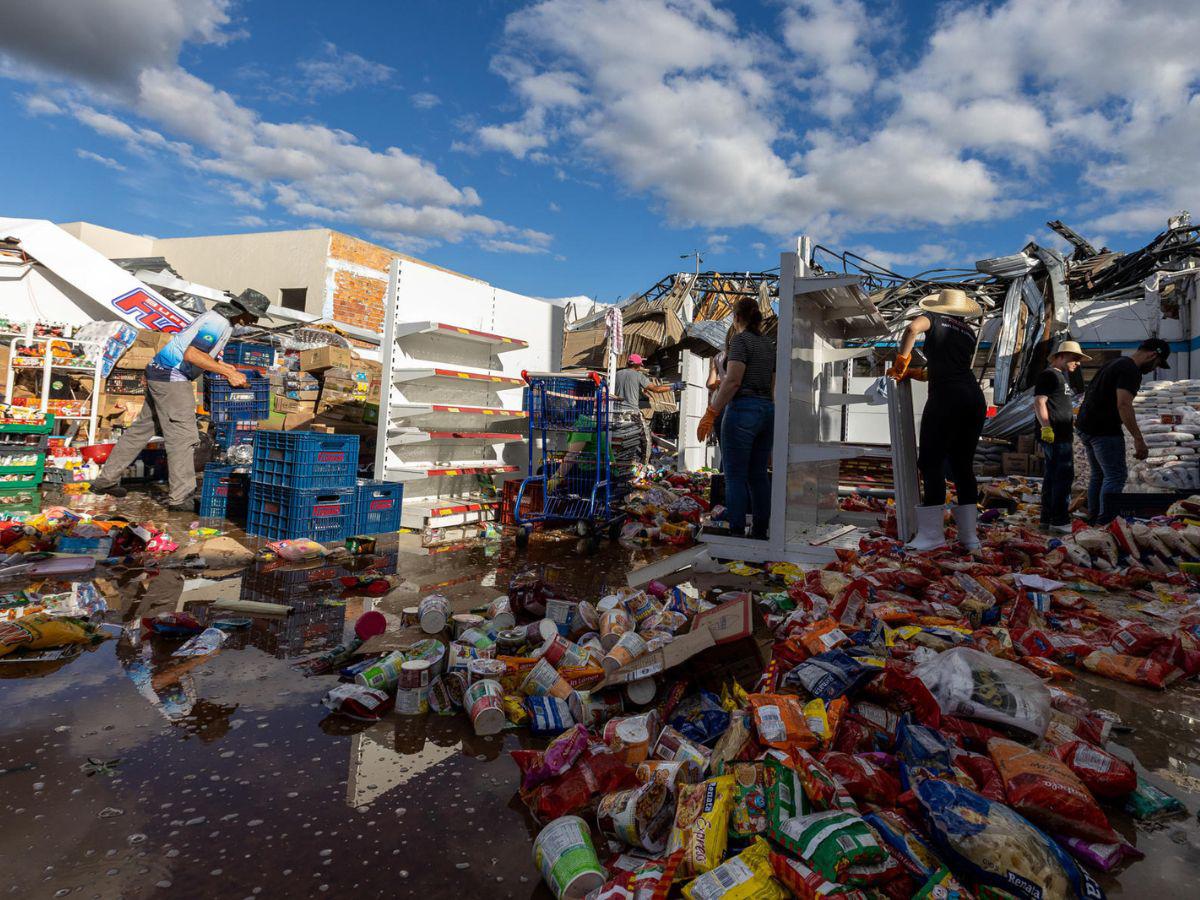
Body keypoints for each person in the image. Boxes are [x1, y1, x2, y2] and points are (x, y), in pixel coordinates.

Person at [90, 289, 270, 510]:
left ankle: (104, 481)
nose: (254, 321)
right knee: (183, 437)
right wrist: (228, 373)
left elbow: (197, 352)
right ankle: (181, 498)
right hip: (172, 377)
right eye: (253, 315)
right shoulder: (217, 322)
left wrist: (223, 367)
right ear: (242, 309)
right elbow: (192, 355)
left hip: (160, 372)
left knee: (141, 430)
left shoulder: (221, 321)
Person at [888, 288, 985, 552]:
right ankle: (969, 537)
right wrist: (916, 374)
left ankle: (932, 536)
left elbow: (911, 329)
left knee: (931, 462)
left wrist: (902, 361)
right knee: (962, 466)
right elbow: (948, 366)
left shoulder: (933, 318)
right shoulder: (968, 332)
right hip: (973, 399)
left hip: (947, 398)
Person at [697, 297, 775, 539]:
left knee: (735, 476)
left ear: (737, 317)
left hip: (743, 410)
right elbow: (773, 383)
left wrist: (712, 412)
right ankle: (760, 531)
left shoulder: (740, 340)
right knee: (758, 475)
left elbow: (733, 381)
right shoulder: (768, 344)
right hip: (767, 409)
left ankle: (737, 532)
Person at [1075, 338, 1170, 524]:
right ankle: (1106, 523)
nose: (1154, 368)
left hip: (1086, 426)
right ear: (1153, 355)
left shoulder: (1114, 363)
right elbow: (1124, 404)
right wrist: (1138, 438)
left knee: (1099, 475)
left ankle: (1094, 518)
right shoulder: (1130, 370)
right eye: (1157, 363)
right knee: (1115, 476)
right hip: (1104, 430)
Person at [1034, 340, 1090, 532]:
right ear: (1061, 356)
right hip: (1055, 435)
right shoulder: (1049, 375)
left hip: (1061, 434)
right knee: (1063, 477)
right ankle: (1059, 520)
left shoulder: (1060, 376)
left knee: (1053, 476)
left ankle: (1047, 518)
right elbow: (1039, 402)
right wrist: (1046, 428)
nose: (1078, 363)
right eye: (1075, 358)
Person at [611, 354, 682, 464]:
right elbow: (656, 389)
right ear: (638, 365)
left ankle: (619, 459)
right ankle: (644, 464)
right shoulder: (638, 376)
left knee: (620, 438)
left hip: (616, 413)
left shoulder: (617, 374)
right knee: (646, 439)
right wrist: (674, 387)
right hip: (632, 413)